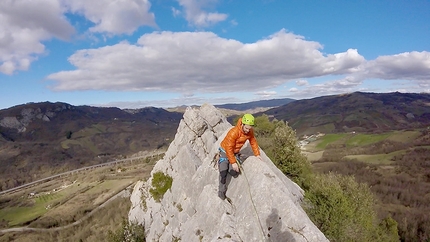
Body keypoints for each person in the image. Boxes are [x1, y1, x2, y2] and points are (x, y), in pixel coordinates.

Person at [218, 113, 262, 200]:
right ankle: (221, 191)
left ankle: (237, 159)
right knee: (223, 172)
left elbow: (253, 142)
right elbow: (228, 148)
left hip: (234, 153)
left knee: (234, 172)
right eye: (246, 128)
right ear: (242, 124)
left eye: (249, 129)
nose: (247, 131)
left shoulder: (249, 131)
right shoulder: (234, 132)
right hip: (225, 152)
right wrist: (233, 162)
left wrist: (257, 154)